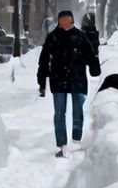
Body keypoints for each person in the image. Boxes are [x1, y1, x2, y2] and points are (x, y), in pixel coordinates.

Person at [37, 11, 101, 158]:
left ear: (72, 20)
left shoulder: (80, 37)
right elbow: (44, 59)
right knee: (59, 113)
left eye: (68, 19)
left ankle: (76, 140)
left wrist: (94, 68)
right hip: (58, 79)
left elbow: (90, 54)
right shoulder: (53, 37)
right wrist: (41, 81)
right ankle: (61, 144)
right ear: (59, 21)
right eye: (63, 20)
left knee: (78, 111)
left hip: (77, 80)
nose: (65, 22)